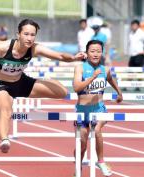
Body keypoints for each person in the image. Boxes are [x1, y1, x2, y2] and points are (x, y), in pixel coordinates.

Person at [0, 19, 86, 153]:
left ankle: (44, 81)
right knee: (5, 111)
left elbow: (59, 55)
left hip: (21, 82)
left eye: (32, 35)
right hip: (1, 85)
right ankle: (5, 139)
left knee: (62, 92)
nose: (29, 38)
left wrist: (74, 58)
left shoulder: (35, 48)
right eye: (26, 34)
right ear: (18, 34)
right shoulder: (2, 47)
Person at [73, 40, 123, 176]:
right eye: (92, 51)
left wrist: (119, 92)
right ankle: (78, 169)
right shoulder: (80, 68)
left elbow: (110, 79)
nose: (95, 54)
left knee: (96, 130)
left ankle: (100, 161)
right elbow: (77, 87)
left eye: (98, 51)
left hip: (99, 108)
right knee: (81, 143)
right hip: (81, 110)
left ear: (102, 53)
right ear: (87, 53)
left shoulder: (105, 69)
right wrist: (92, 78)